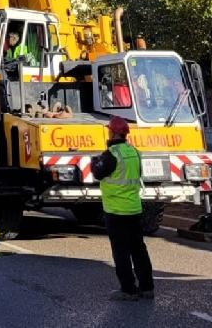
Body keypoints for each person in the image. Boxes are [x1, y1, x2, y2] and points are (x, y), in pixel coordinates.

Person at [90, 116, 154, 301]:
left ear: (112, 132)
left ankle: (128, 289)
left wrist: (94, 162)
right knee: (139, 250)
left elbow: (98, 173)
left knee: (121, 252)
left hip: (116, 211)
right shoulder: (134, 152)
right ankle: (147, 287)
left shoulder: (111, 154)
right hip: (134, 208)